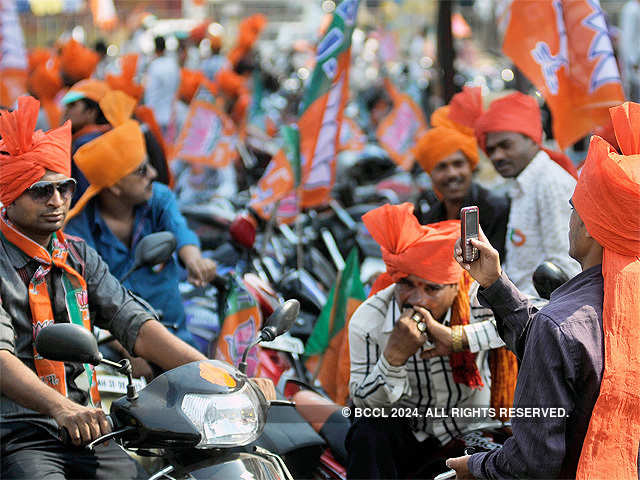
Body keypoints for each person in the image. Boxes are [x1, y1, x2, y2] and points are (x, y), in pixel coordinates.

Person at [0, 95, 207, 479]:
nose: (58, 201)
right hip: (19, 435)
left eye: (64, 188)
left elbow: (133, 322)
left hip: (89, 430)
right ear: (9, 195)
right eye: (41, 191)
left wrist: (212, 371)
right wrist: (60, 408)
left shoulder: (78, 255)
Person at [447, 102, 640, 479]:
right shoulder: (568, 324)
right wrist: (495, 284)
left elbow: (531, 464)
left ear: (588, 227)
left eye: (574, 210)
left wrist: (474, 467)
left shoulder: (561, 326)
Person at [346, 203, 516, 479]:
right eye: (406, 284)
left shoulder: (476, 298)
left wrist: (458, 338)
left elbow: (534, 321)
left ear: (455, 285)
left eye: (431, 288)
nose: (417, 299)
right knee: (368, 429)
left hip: (469, 430)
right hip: (407, 433)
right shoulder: (370, 318)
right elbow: (363, 403)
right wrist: (392, 360)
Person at [64, 91, 216, 349]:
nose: (154, 174)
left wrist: (195, 261)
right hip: (115, 352)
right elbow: (83, 302)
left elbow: (181, 233)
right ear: (115, 187)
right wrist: (131, 351)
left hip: (174, 336)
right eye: (142, 170)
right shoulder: (78, 229)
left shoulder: (159, 199)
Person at [474, 92, 580, 296]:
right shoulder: (523, 184)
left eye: (505, 145)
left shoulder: (550, 182)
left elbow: (565, 268)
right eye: (491, 149)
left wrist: (515, 306)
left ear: (531, 139)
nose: (497, 156)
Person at [413, 87, 509, 260]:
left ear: (471, 166)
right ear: (430, 174)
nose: (452, 174)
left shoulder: (496, 209)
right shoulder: (430, 217)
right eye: (442, 167)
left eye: (458, 164)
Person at [143, 36, 180, 138]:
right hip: (172, 117)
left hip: (157, 117)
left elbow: (150, 93)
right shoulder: (173, 64)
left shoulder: (154, 66)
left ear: (155, 49)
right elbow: (177, 87)